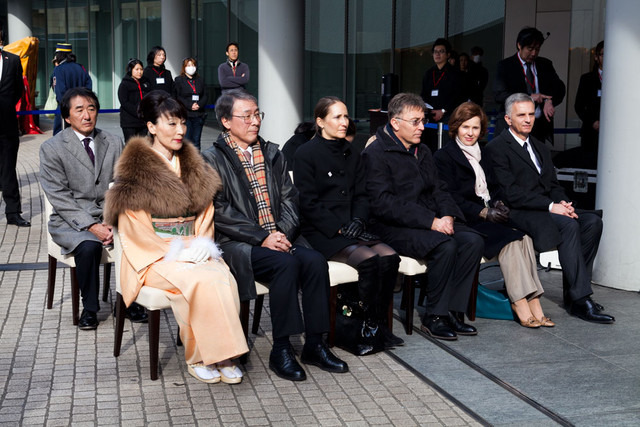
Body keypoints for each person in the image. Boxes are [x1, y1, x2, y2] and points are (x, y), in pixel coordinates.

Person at [202, 90, 348, 382]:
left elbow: (291, 199)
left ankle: (315, 344)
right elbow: (219, 211)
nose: (255, 121)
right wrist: (262, 237)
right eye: (247, 116)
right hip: (239, 244)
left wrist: (282, 232)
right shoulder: (210, 159)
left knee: (315, 261)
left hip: (280, 236)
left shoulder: (273, 153)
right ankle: (281, 349)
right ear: (226, 122)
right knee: (287, 265)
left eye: (257, 114)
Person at [104, 90, 248, 384]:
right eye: (171, 124)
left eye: (182, 122)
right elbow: (134, 227)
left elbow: (205, 211)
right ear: (152, 127)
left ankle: (221, 354)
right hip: (152, 255)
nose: (181, 130)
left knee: (222, 276)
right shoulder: (134, 171)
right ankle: (203, 357)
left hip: (191, 245)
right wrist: (175, 252)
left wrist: (200, 244)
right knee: (198, 281)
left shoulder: (194, 165)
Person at [361, 93, 484, 341]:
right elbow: (384, 203)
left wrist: (448, 215)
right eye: (415, 121)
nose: (422, 127)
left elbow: (439, 189)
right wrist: (431, 221)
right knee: (446, 246)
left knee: (473, 241)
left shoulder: (423, 150)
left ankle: (452, 311)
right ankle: (434, 316)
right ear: (395, 123)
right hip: (391, 226)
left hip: (428, 220)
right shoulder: (376, 152)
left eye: (423, 120)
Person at [485, 93, 615, 324]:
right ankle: (582, 299)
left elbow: (553, 185)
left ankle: (573, 294)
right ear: (507, 119)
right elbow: (509, 192)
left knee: (592, 222)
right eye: (521, 115)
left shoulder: (540, 147)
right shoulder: (497, 148)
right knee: (568, 225)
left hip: (546, 209)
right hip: (518, 212)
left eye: (530, 113)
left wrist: (564, 203)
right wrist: (551, 206)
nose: (528, 119)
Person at [293, 96, 403, 348]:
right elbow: (307, 203)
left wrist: (357, 219)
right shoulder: (305, 154)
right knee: (368, 260)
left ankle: (377, 325)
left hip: (352, 225)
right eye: (337, 117)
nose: (345, 122)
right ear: (320, 122)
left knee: (389, 257)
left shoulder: (352, 152)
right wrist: (340, 226)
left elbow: (363, 194)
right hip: (321, 230)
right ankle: (355, 328)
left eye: (346, 116)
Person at [434, 102, 553, 328]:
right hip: (466, 219)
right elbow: (449, 197)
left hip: (489, 215)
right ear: (456, 127)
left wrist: (498, 202)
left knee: (524, 237)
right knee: (511, 241)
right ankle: (520, 302)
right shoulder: (444, 157)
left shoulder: (484, 153)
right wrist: (482, 211)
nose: (470, 133)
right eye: (465, 127)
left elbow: (495, 187)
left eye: (475, 128)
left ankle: (534, 300)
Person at [39, 87, 148, 330]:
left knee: (137, 235)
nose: (87, 115)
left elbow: (123, 183)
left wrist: (111, 218)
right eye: (79, 110)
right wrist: (91, 225)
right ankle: (89, 308)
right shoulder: (52, 148)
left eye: (91, 108)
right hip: (71, 220)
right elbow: (59, 196)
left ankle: (130, 301)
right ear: (67, 117)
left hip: (110, 213)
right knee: (88, 246)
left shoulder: (113, 141)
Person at [494, 27, 566, 145]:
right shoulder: (506, 66)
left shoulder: (545, 64)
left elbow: (560, 88)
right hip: (513, 126)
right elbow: (499, 95)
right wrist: (529, 97)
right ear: (519, 45)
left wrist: (549, 100)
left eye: (537, 49)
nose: (534, 53)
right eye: (530, 49)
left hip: (537, 127)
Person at [1, 27, 29, 227]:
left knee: (8, 170)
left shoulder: (13, 60)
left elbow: (18, 89)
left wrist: (6, 104)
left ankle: (13, 213)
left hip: (6, 124)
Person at [420, 38, 463, 152]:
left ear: (448, 55)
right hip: (430, 116)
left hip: (447, 116)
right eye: (435, 51)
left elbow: (458, 97)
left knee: (445, 147)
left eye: (441, 51)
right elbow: (423, 94)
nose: (437, 54)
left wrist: (443, 110)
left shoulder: (455, 73)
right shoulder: (429, 73)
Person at [51, 43, 92, 135]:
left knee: (60, 137)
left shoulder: (59, 69)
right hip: (81, 107)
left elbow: (60, 91)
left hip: (65, 108)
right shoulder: (81, 68)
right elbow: (88, 86)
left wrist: (66, 106)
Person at [574, 40, 604, 167]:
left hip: (613, 134)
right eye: (603, 54)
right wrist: (593, 122)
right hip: (591, 132)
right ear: (596, 57)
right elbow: (579, 106)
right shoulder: (587, 79)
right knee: (589, 166)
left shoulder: (620, 79)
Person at [173, 57, 208, 150]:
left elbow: (205, 95)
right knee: (186, 140)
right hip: (186, 114)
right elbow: (178, 96)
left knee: (196, 141)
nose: (191, 67)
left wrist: (199, 105)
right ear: (184, 67)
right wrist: (189, 105)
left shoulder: (200, 80)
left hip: (198, 114)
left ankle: (197, 162)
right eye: (188, 65)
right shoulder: (179, 80)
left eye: (193, 65)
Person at [117, 59, 151, 142]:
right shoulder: (125, 84)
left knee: (142, 146)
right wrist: (138, 111)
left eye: (141, 69)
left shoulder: (146, 83)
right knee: (131, 146)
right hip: (129, 121)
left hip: (143, 121)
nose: (139, 72)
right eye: (136, 69)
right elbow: (124, 102)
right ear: (130, 70)